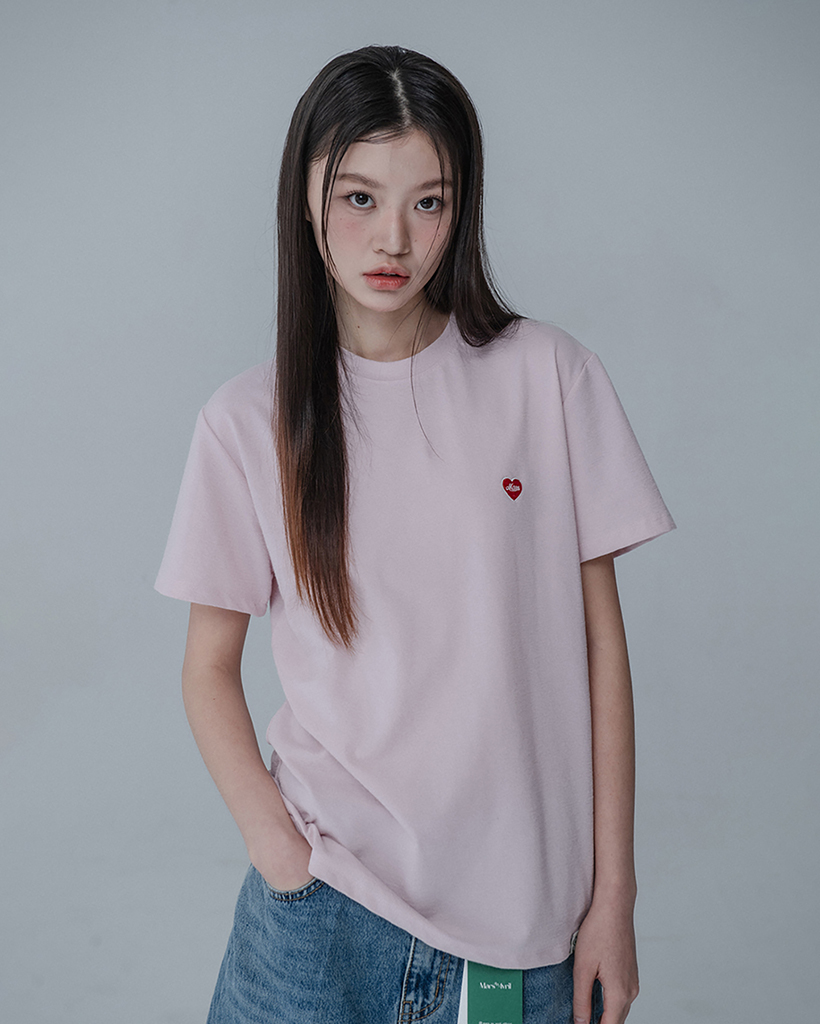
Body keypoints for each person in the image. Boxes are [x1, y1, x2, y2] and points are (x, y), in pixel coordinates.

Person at [156, 44, 674, 1024]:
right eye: (358, 197)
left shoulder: (547, 377)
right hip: (317, 916)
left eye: (427, 202)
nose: (391, 237)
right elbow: (206, 666)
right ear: (305, 199)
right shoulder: (247, 421)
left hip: (520, 936)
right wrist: (278, 848)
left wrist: (615, 895)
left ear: (461, 207)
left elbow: (602, 647)